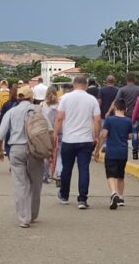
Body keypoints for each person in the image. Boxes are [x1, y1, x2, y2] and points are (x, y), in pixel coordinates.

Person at [0, 85, 45, 228]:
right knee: (36, 183)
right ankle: (33, 213)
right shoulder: (38, 111)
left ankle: (24, 218)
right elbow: (48, 131)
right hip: (35, 150)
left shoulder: (11, 112)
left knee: (20, 184)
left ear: (18, 97)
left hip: (17, 149)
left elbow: (0, 135)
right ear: (31, 97)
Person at [53, 76, 101, 209]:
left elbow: (59, 118)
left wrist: (55, 134)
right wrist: (95, 136)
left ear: (74, 84)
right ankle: (82, 199)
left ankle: (64, 194)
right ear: (86, 85)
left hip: (69, 139)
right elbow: (97, 120)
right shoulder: (92, 100)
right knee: (84, 169)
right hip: (86, 140)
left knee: (66, 168)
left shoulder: (65, 98)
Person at [96, 99, 132, 210]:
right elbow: (130, 136)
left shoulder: (109, 120)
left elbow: (104, 134)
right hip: (123, 151)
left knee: (110, 174)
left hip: (111, 151)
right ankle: (121, 197)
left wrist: (97, 150)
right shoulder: (128, 121)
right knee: (121, 175)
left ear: (115, 108)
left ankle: (113, 193)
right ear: (125, 109)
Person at [109, 74, 139, 160]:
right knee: (135, 133)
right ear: (134, 80)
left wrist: (111, 111)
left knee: (122, 133)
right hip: (136, 114)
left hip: (125, 115)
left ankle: (123, 150)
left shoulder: (122, 89)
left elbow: (116, 101)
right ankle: (135, 152)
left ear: (126, 80)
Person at [41, 86, 60, 184]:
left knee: (46, 155)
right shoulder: (59, 105)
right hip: (57, 132)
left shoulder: (42, 105)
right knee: (56, 154)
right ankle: (57, 174)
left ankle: (46, 175)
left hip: (46, 132)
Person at [0, 85, 19, 157]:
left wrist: (0, 127)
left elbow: (2, 118)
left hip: (8, 129)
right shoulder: (20, 104)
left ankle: (12, 161)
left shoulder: (6, 104)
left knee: (8, 147)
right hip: (18, 128)